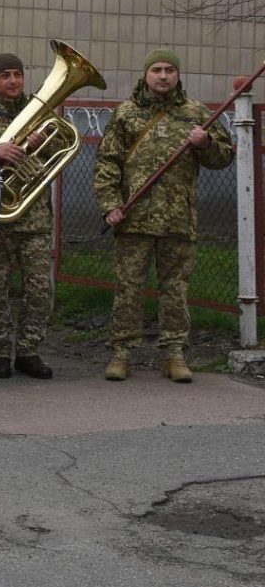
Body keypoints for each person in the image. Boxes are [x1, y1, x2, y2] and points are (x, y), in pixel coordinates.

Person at [94, 49, 234, 382]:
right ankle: (122, 353)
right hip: (134, 219)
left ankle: (173, 354)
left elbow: (223, 157)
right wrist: (110, 204)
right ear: (145, 74)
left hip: (178, 220)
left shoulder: (195, 112)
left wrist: (205, 144)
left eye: (170, 70)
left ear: (178, 75)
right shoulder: (127, 113)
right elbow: (107, 162)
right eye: (156, 69)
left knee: (175, 290)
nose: (163, 76)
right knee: (128, 289)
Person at [0, 53, 55, 379]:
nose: (14, 81)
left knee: (40, 289)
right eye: (6, 76)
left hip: (35, 218)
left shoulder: (40, 114)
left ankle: (29, 350)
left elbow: (56, 153)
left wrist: (41, 143)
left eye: (18, 74)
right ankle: (0, 352)